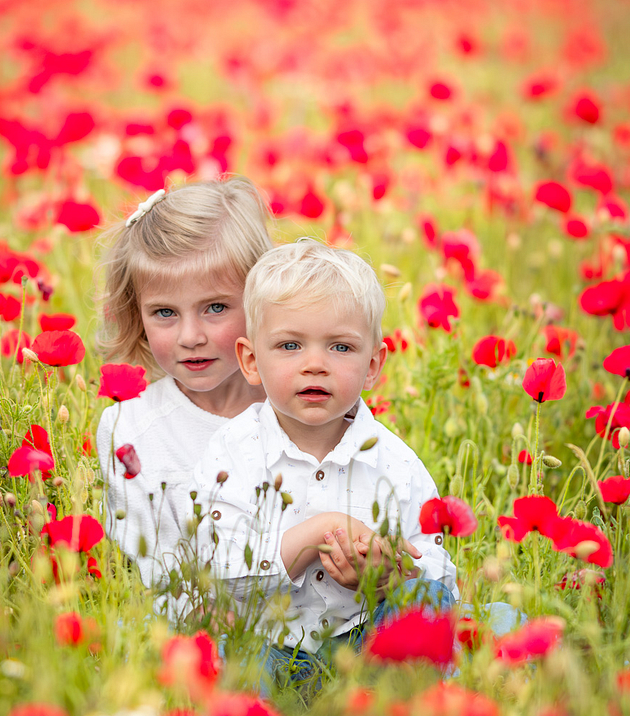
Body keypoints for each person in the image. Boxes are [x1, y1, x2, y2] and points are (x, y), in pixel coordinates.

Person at [190, 239, 458, 679]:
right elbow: (220, 567)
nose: (315, 364)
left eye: (340, 348)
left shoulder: (395, 464)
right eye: (291, 346)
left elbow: (439, 570)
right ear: (251, 360)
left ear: (373, 365)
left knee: (429, 603)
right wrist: (315, 533)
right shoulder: (232, 454)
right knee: (217, 638)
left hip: (363, 639)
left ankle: (394, 710)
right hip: (266, 641)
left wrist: (390, 577)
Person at [96, 177, 273, 601]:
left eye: (215, 307)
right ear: (136, 314)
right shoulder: (132, 429)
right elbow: (150, 570)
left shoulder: (298, 403)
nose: (190, 336)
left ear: (260, 300)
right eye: (164, 312)